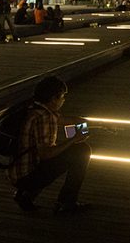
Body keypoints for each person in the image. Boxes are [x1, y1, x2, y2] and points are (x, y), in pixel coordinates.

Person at [9, 76, 92, 213]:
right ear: (54, 98)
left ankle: (24, 195)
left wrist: (86, 122)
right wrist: (73, 139)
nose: (63, 100)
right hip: (26, 176)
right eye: (62, 97)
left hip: (15, 170)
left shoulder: (33, 109)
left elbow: (64, 120)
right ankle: (66, 202)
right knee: (81, 151)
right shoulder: (45, 117)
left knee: (71, 151)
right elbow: (46, 154)